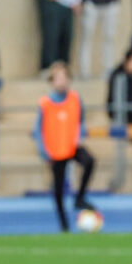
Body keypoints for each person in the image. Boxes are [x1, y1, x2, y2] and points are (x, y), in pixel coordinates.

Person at [33, 62, 96, 231]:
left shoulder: (75, 98)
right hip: (55, 150)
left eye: (64, 77)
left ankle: (79, 198)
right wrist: (44, 152)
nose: (61, 81)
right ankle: (64, 225)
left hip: (71, 145)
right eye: (57, 78)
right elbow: (38, 129)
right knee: (58, 189)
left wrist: (80, 136)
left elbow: (80, 120)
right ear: (52, 81)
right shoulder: (45, 103)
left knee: (90, 161)